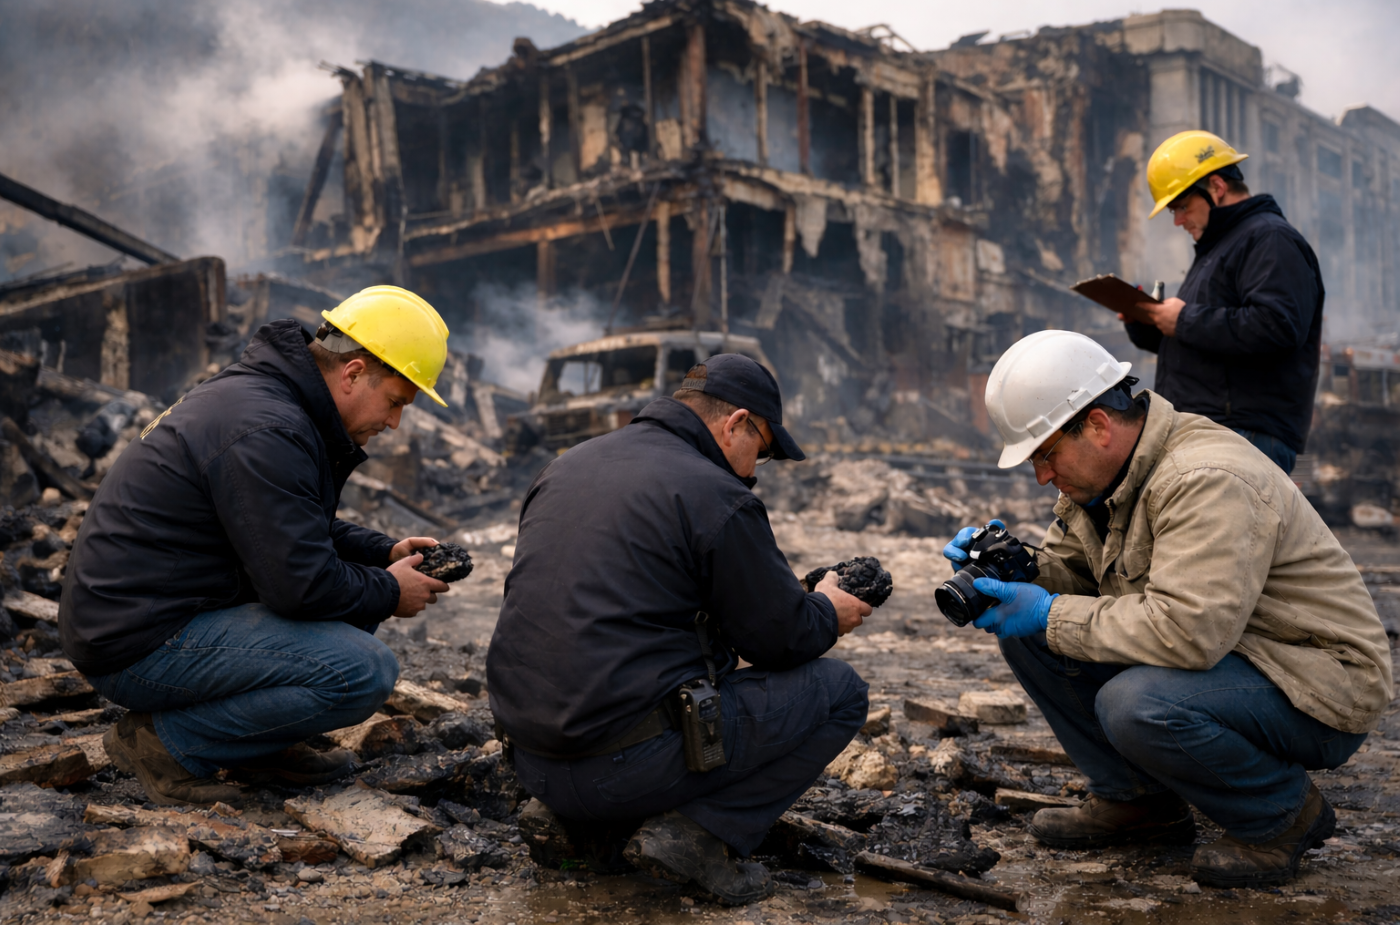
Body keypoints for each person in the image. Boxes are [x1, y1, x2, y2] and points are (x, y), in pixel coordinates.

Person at [943, 330, 1391, 888]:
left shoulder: (1204, 478)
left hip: (1317, 682)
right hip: (1240, 658)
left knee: (1134, 703)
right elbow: (1071, 580)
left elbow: (1188, 632)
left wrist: (1049, 610)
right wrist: (1013, 573)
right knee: (1028, 631)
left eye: (1046, 454)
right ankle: (1138, 802)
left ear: (1099, 427)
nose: (1041, 475)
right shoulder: (1104, 480)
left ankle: (1280, 814)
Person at [487, 353, 873, 905]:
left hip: (536, 763)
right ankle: (697, 835)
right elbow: (780, 641)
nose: (754, 469)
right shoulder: (716, 494)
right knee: (840, 692)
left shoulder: (565, 466)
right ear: (735, 423)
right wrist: (827, 609)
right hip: (620, 771)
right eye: (759, 449)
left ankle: (577, 828)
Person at [59, 286, 454, 807]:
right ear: (354, 372)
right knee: (363, 671)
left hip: (147, 614)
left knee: (351, 599)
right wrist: (388, 589)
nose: (394, 422)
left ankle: (258, 743)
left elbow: (283, 524)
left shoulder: (271, 404)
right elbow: (300, 586)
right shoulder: (266, 426)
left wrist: (382, 553)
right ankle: (165, 744)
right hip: (134, 641)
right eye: (396, 402)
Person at [1125, 130, 1324, 473]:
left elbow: (1277, 327)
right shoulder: (1221, 250)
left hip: (1242, 438)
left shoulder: (1269, 239)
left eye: (1182, 206)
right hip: (1213, 434)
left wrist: (1183, 320)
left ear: (1216, 187)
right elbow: (1208, 345)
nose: (1177, 220)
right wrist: (1145, 321)